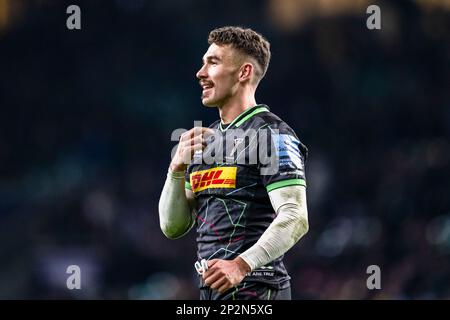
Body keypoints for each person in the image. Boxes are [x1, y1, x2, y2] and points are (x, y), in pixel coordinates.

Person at [158, 26, 309, 300]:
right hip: (214, 293)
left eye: (212, 62)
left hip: (258, 291)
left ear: (244, 72)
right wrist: (176, 170)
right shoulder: (205, 142)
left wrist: (241, 265)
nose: (200, 73)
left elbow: (295, 217)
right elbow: (173, 227)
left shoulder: (271, 135)